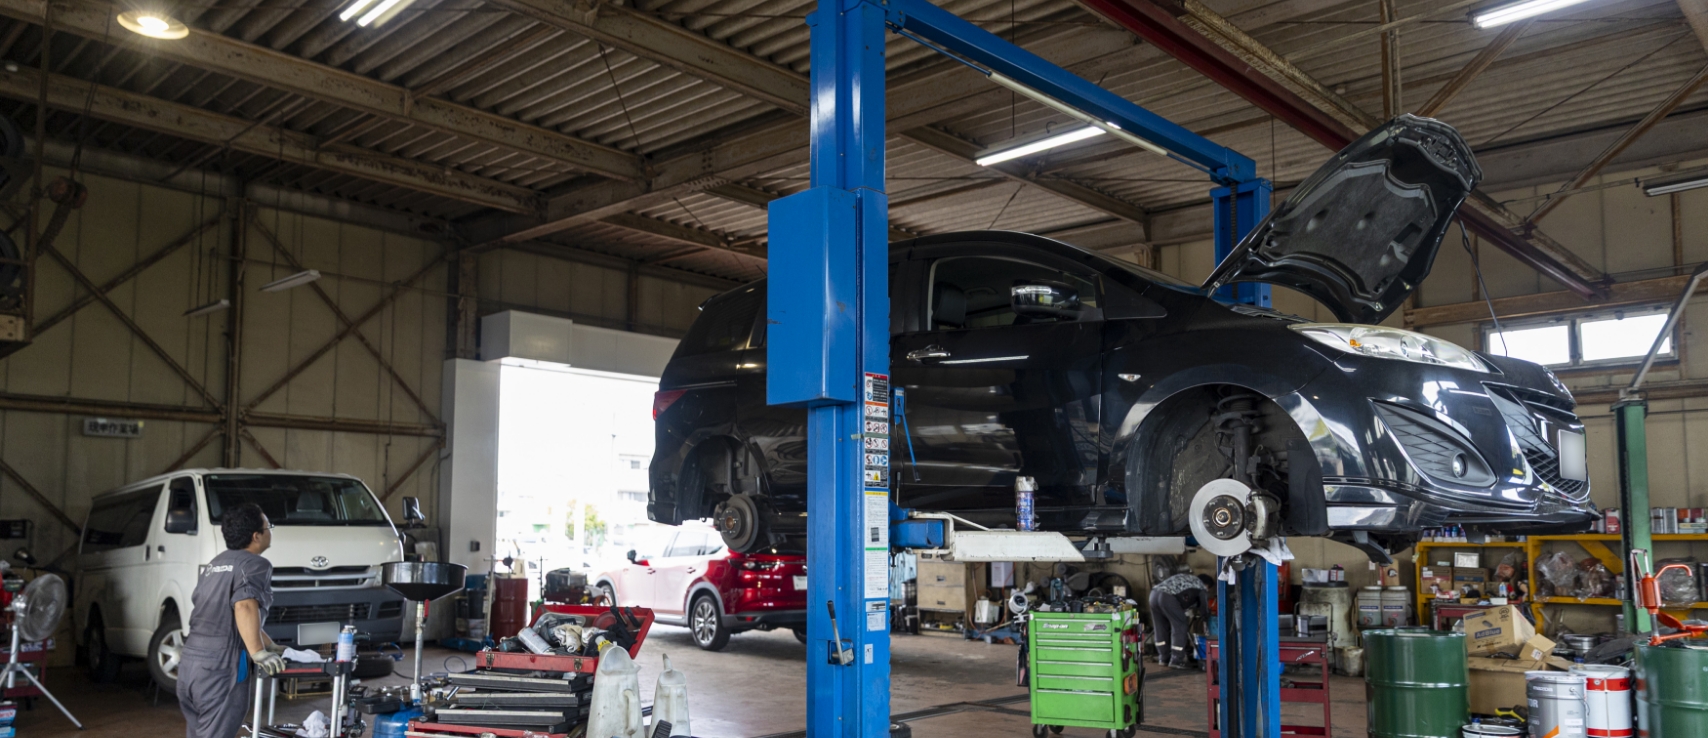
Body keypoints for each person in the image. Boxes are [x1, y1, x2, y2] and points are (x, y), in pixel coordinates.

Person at [177, 503, 287, 738]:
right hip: (220, 668)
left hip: (190, 666)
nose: (270, 532)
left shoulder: (214, 565)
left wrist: (268, 644)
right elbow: (244, 606)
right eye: (268, 527)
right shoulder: (255, 564)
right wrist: (258, 652)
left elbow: (227, 614)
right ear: (256, 536)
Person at [1148, 565, 1208, 669]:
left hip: (1153, 595)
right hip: (1167, 597)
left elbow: (1183, 598)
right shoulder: (1201, 586)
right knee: (1180, 624)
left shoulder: (1187, 579)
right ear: (1207, 584)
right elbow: (1204, 605)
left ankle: (1163, 657)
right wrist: (1206, 617)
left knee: (1160, 626)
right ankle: (1177, 659)